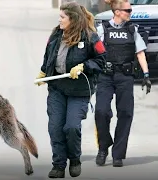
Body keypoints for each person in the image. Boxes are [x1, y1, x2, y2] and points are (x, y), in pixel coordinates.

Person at [35, 2, 106, 178]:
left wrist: (84, 66)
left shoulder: (90, 37)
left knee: (72, 127)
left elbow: (102, 60)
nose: (59, 20)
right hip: (57, 88)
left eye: (62, 17)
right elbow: (48, 54)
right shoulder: (55, 35)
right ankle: (59, 165)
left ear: (72, 19)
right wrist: (44, 71)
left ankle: (74, 160)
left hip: (79, 90)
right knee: (55, 128)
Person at [94, 0, 151, 167]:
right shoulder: (102, 29)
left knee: (125, 113)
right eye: (128, 10)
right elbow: (94, 51)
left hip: (125, 77)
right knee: (101, 111)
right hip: (106, 76)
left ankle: (118, 154)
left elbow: (140, 53)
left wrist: (146, 74)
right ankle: (103, 147)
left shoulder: (132, 30)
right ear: (117, 11)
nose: (130, 13)